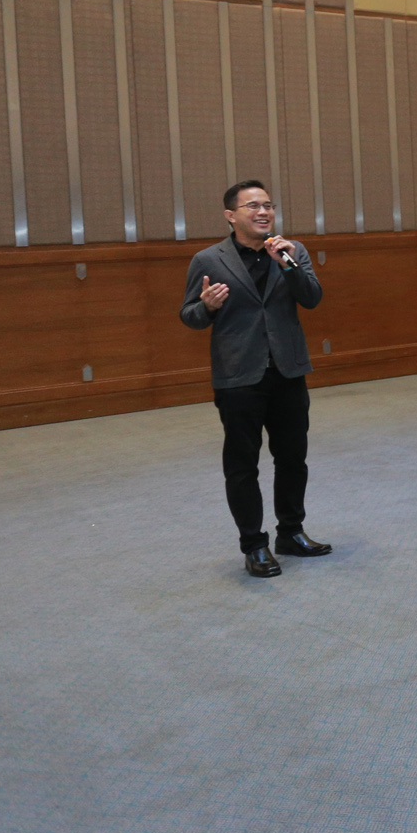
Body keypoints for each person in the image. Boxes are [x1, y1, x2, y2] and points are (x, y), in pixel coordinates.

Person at [179, 180, 329, 579]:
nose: (263, 212)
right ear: (231, 216)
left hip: (287, 370)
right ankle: (254, 545)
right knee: (243, 465)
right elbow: (189, 315)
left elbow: (312, 297)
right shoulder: (208, 259)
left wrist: (288, 264)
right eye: (253, 206)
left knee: (292, 458)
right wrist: (207, 308)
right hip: (238, 376)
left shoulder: (292, 251)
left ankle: (291, 533)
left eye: (268, 205)